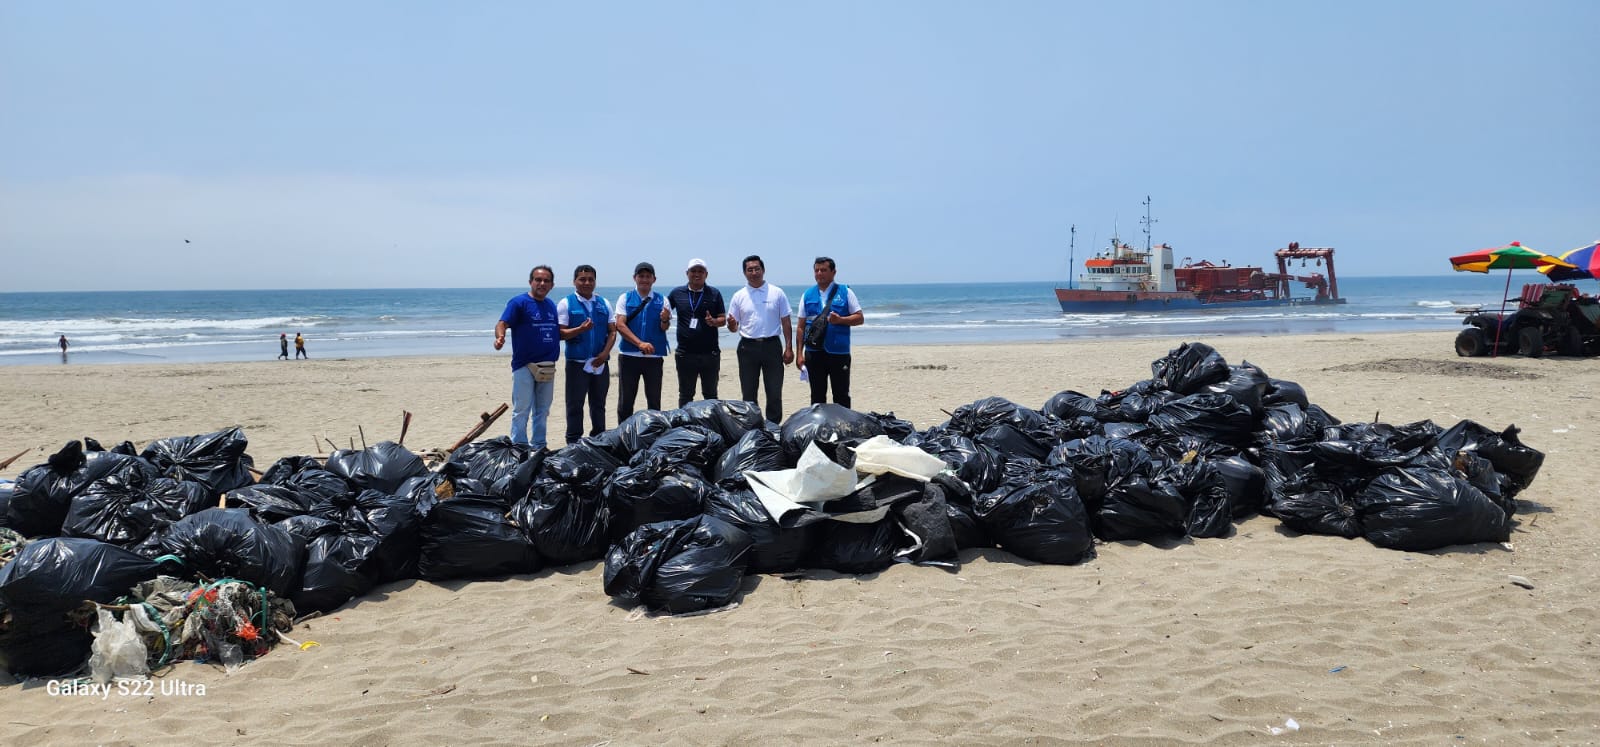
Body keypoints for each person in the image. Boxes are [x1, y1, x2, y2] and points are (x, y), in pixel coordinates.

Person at [494, 265, 561, 448]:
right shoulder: (519, 302)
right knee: (521, 409)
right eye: (538, 280)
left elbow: (556, 332)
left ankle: (539, 445)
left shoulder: (551, 305)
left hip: (548, 364)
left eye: (546, 280)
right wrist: (500, 337)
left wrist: (580, 330)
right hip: (524, 365)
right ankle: (520, 446)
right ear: (530, 282)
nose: (542, 283)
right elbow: (502, 323)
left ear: (552, 285)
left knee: (542, 410)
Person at [725, 255, 793, 424]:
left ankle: (773, 426)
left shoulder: (777, 292)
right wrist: (732, 324)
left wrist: (789, 347)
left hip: (772, 345)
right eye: (750, 270)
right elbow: (733, 328)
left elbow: (786, 322)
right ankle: (752, 427)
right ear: (744, 273)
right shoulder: (739, 296)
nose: (754, 272)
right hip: (747, 347)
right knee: (748, 392)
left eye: (757, 269)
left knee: (774, 391)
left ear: (763, 270)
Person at [557, 264, 617, 444]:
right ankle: (573, 442)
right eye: (582, 279)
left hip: (600, 363)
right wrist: (580, 329)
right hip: (577, 363)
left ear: (595, 282)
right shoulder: (566, 303)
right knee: (575, 405)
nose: (587, 282)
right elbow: (560, 334)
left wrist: (604, 355)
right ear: (574, 281)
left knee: (598, 405)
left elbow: (612, 332)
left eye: (591, 279)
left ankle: (599, 438)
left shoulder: (604, 303)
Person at [796, 256, 864, 408]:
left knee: (841, 395)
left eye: (824, 270)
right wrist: (799, 353)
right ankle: (819, 429)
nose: (820, 273)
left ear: (833, 272)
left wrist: (841, 320)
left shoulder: (845, 292)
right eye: (817, 270)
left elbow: (860, 318)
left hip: (838, 352)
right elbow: (800, 326)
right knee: (817, 395)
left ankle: (843, 429)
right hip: (814, 352)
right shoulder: (807, 295)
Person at [613, 262, 671, 421]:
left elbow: (664, 327)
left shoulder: (662, 300)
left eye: (648, 276)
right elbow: (620, 324)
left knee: (654, 401)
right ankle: (623, 436)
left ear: (654, 279)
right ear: (635, 278)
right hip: (629, 356)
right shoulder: (625, 298)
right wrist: (639, 344)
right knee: (626, 401)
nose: (644, 279)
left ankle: (653, 434)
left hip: (654, 357)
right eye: (641, 276)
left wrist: (665, 320)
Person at [667, 258, 727, 407]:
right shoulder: (676, 293)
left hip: (710, 353)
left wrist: (714, 322)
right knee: (686, 394)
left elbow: (723, 319)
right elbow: (665, 314)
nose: (697, 274)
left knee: (710, 394)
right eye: (693, 271)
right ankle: (684, 427)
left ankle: (711, 425)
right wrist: (663, 319)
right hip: (685, 353)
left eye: (700, 271)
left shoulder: (714, 293)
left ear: (706, 274)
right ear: (687, 273)